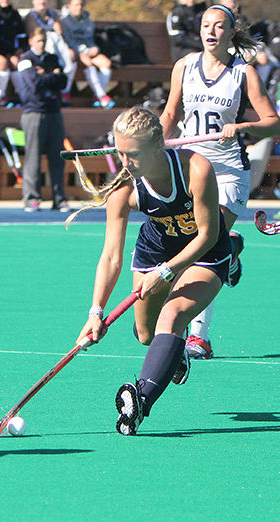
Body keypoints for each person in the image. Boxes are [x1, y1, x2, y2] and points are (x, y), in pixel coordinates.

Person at [73, 106, 232, 435]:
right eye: (119, 153)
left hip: (204, 252)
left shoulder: (196, 169)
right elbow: (111, 256)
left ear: (158, 147)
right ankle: (172, 355)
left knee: (171, 316)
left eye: (132, 155)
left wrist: (166, 272)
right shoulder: (124, 189)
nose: (125, 164)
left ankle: (139, 403)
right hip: (156, 249)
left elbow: (207, 234)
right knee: (147, 335)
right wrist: (96, 311)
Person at [160, 3, 280, 359]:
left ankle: (198, 336)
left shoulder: (244, 73)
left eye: (218, 26)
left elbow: (273, 121)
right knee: (201, 244)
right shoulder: (184, 66)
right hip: (192, 168)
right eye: (205, 26)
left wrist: (242, 127)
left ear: (230, 33)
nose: (210, 31)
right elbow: (170, 112)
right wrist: (154, 143)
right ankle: (230, 251)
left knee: (202, 247)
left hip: (228, 172)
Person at [17, 27, 69, 212]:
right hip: (34, 113)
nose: (41, 44)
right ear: (31, 41)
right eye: (38, 40)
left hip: (53, 112)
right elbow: (34, 85)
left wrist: (46, 75)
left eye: (43, 40)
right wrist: (51, 75)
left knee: (58, 157)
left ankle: (59, 198)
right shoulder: (25, 60)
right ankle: (32, 198)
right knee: (33, 157)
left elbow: (63, 82)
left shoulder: (52, 58)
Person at [59, 0, 114, 110]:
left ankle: (97, 97)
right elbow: (68, 41)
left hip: (88, 52)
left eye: (81, 5)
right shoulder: (63, 21)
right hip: (75, 52)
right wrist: (84, 51)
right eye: (76, 5)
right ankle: (101, 96)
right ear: (69, 6)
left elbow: (90, 39)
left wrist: (94, 48)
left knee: (106, 63)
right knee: (88, 63)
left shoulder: (88, 21)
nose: (79, 7)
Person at [24, 0, 74, 106]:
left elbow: (59, 33)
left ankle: (65, 92)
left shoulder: (53, 14)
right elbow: (35, 34)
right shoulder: (31, 16)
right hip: (42, 52)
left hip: (55, 48)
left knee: (70, 57)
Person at [0, 0, 27, 108]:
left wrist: (20, 49)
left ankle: (24, 98)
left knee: (17, 61)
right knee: (2, 62)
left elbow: (21, 35)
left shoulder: (14, 14)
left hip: (11, 51)